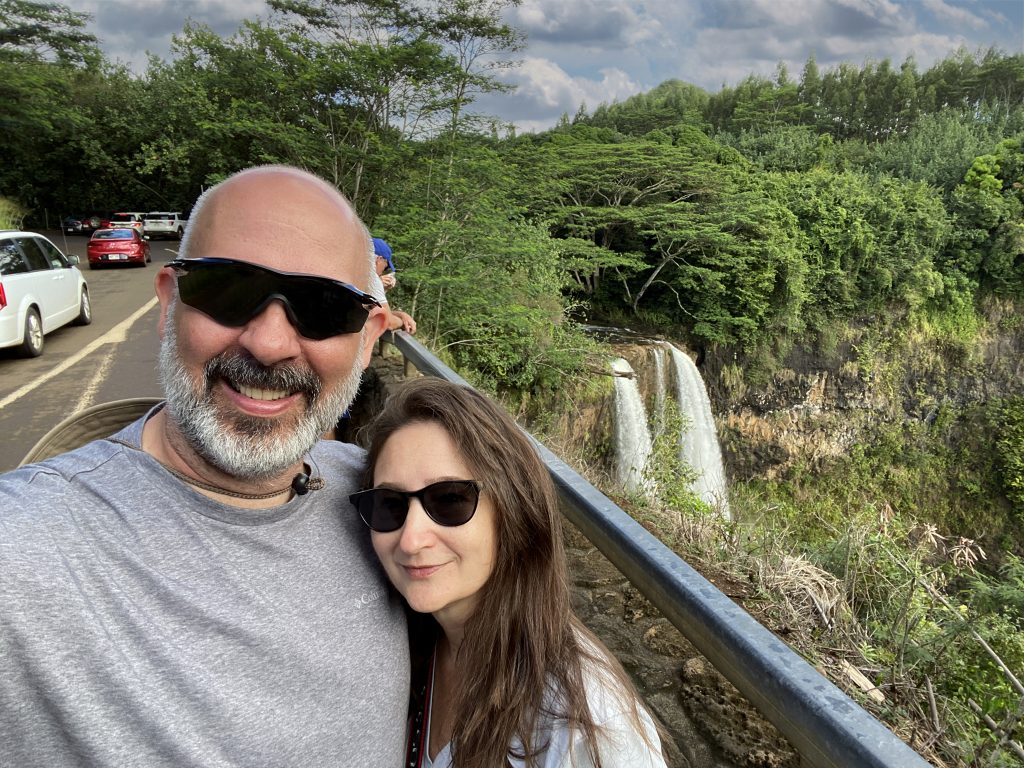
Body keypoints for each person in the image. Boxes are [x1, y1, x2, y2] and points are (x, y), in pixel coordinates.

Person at [0, 165, 409, 767]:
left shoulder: (396, 505)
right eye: (228, 292)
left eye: (323, 308)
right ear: (169, 303)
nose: (269, 343)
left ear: (369, 339)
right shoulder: (25, 548)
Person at [350, 378, 668, 768]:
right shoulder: (413, 643)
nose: (411, 540)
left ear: (512, 510)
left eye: (449, 500)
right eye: (389, 504)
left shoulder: (585, 726)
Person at [372, 236, 417, 334]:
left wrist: (401, 314)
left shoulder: (352, 270)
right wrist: (403, 323)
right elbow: (388, 322)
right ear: (379, 259)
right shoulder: (372, 278)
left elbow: (372, 312)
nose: (384, 271)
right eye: (386, 265)